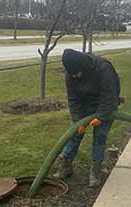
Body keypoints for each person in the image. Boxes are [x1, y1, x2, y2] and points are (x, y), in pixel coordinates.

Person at [54, 48, 121, 188]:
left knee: (100, 136)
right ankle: (65, 165)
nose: (75, 77)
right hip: (84, 106)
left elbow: (109, 97)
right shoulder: (70, 73)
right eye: (71, 74)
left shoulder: (103, 68)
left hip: (105, 106)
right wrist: (78, 120)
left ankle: (96, 171)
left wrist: (101, 117)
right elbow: (73, 100)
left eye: (76, 74)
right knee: (74, 134)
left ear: (83, 66)